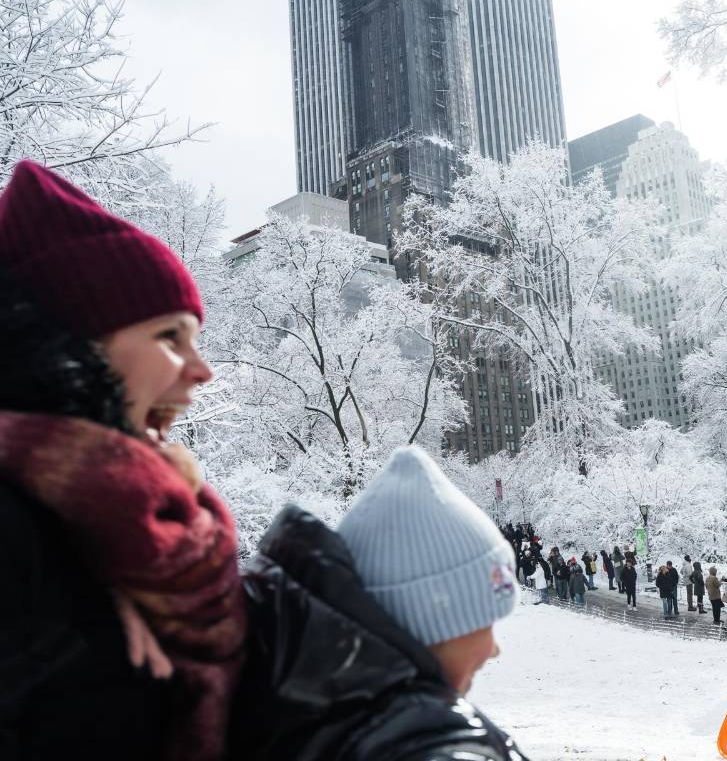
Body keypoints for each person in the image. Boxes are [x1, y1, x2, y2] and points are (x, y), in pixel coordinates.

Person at [0, 161, 245, 761]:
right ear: (76, 347)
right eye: (169, 337)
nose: (204, 370)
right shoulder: (19, 538)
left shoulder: (121, 531)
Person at [232, 446, 527, 760]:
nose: (495, 649)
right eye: (486, 621)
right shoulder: (422, 743)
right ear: (435, 621)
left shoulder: (316, 716)